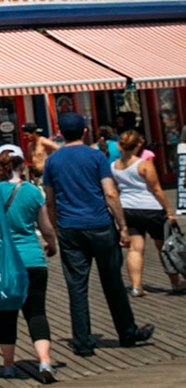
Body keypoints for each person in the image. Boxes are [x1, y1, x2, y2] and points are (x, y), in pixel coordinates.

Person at [43, 112, 152, 356]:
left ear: (60, 132)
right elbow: (110, 193)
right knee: (112, 281)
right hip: (99, 225)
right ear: (84, 131)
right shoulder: (96, 157)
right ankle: (127, 332)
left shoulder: (53, 160)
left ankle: (82, 341)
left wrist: (54, 227)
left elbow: (49, 200)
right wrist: (122, 225)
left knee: (77, 286)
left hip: (70, 227)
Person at [0, 146, 59, 383]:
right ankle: (44, 360)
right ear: (22, 165)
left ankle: (9, 365)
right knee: (36, 312)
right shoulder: (32, 191)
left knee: (6, 313)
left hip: (0, 261)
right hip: (31, 258)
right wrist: (52, 245)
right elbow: (46, 227)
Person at [112, 130, 177, 296]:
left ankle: (136, 286)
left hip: (128, 208)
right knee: (163, 247)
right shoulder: (143, 164)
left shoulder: (114, 166)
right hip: (151, 208)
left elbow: (116, 189)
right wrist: (169, 210)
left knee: (135, 248)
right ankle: (175, 282)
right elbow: (156, 189)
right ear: (138, 145)